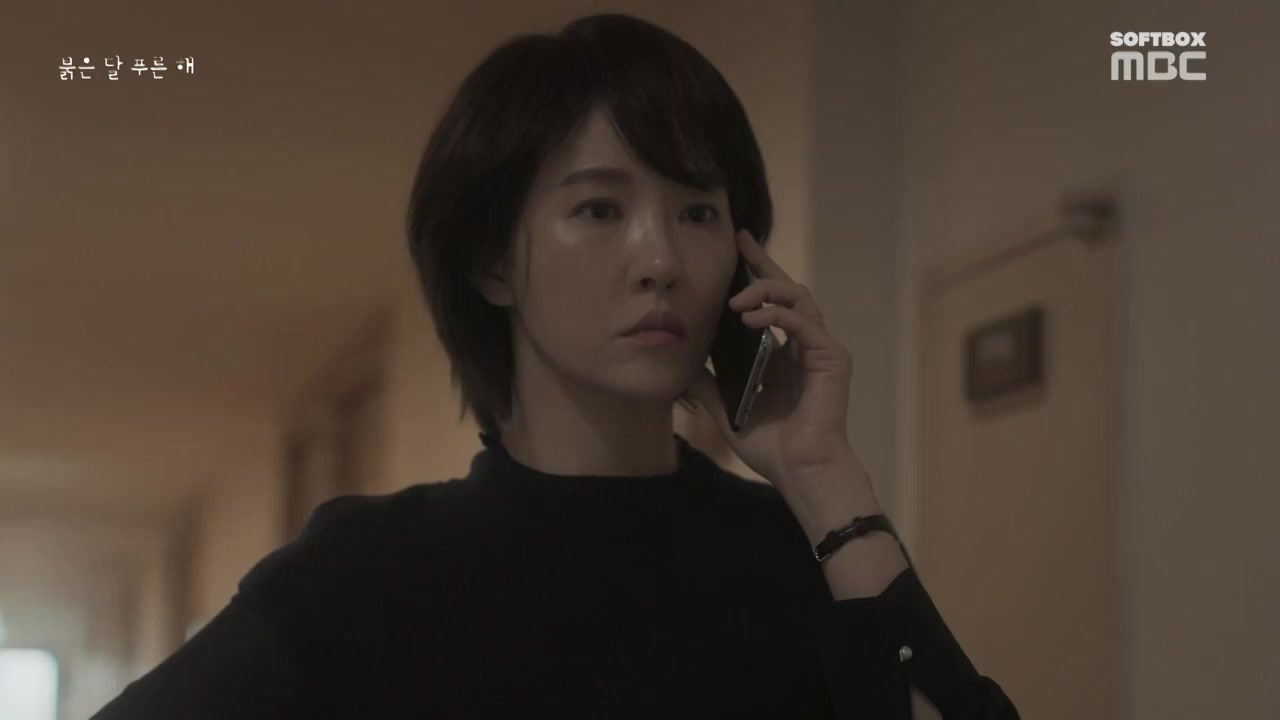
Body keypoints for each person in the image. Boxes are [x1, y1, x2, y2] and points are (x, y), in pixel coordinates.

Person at [93, 12, 1020, 719]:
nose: (660, 259)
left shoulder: (798, 552)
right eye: (599, 210)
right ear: (492, 263)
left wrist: (825, 478)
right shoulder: (368, 573)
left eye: (698, 212)